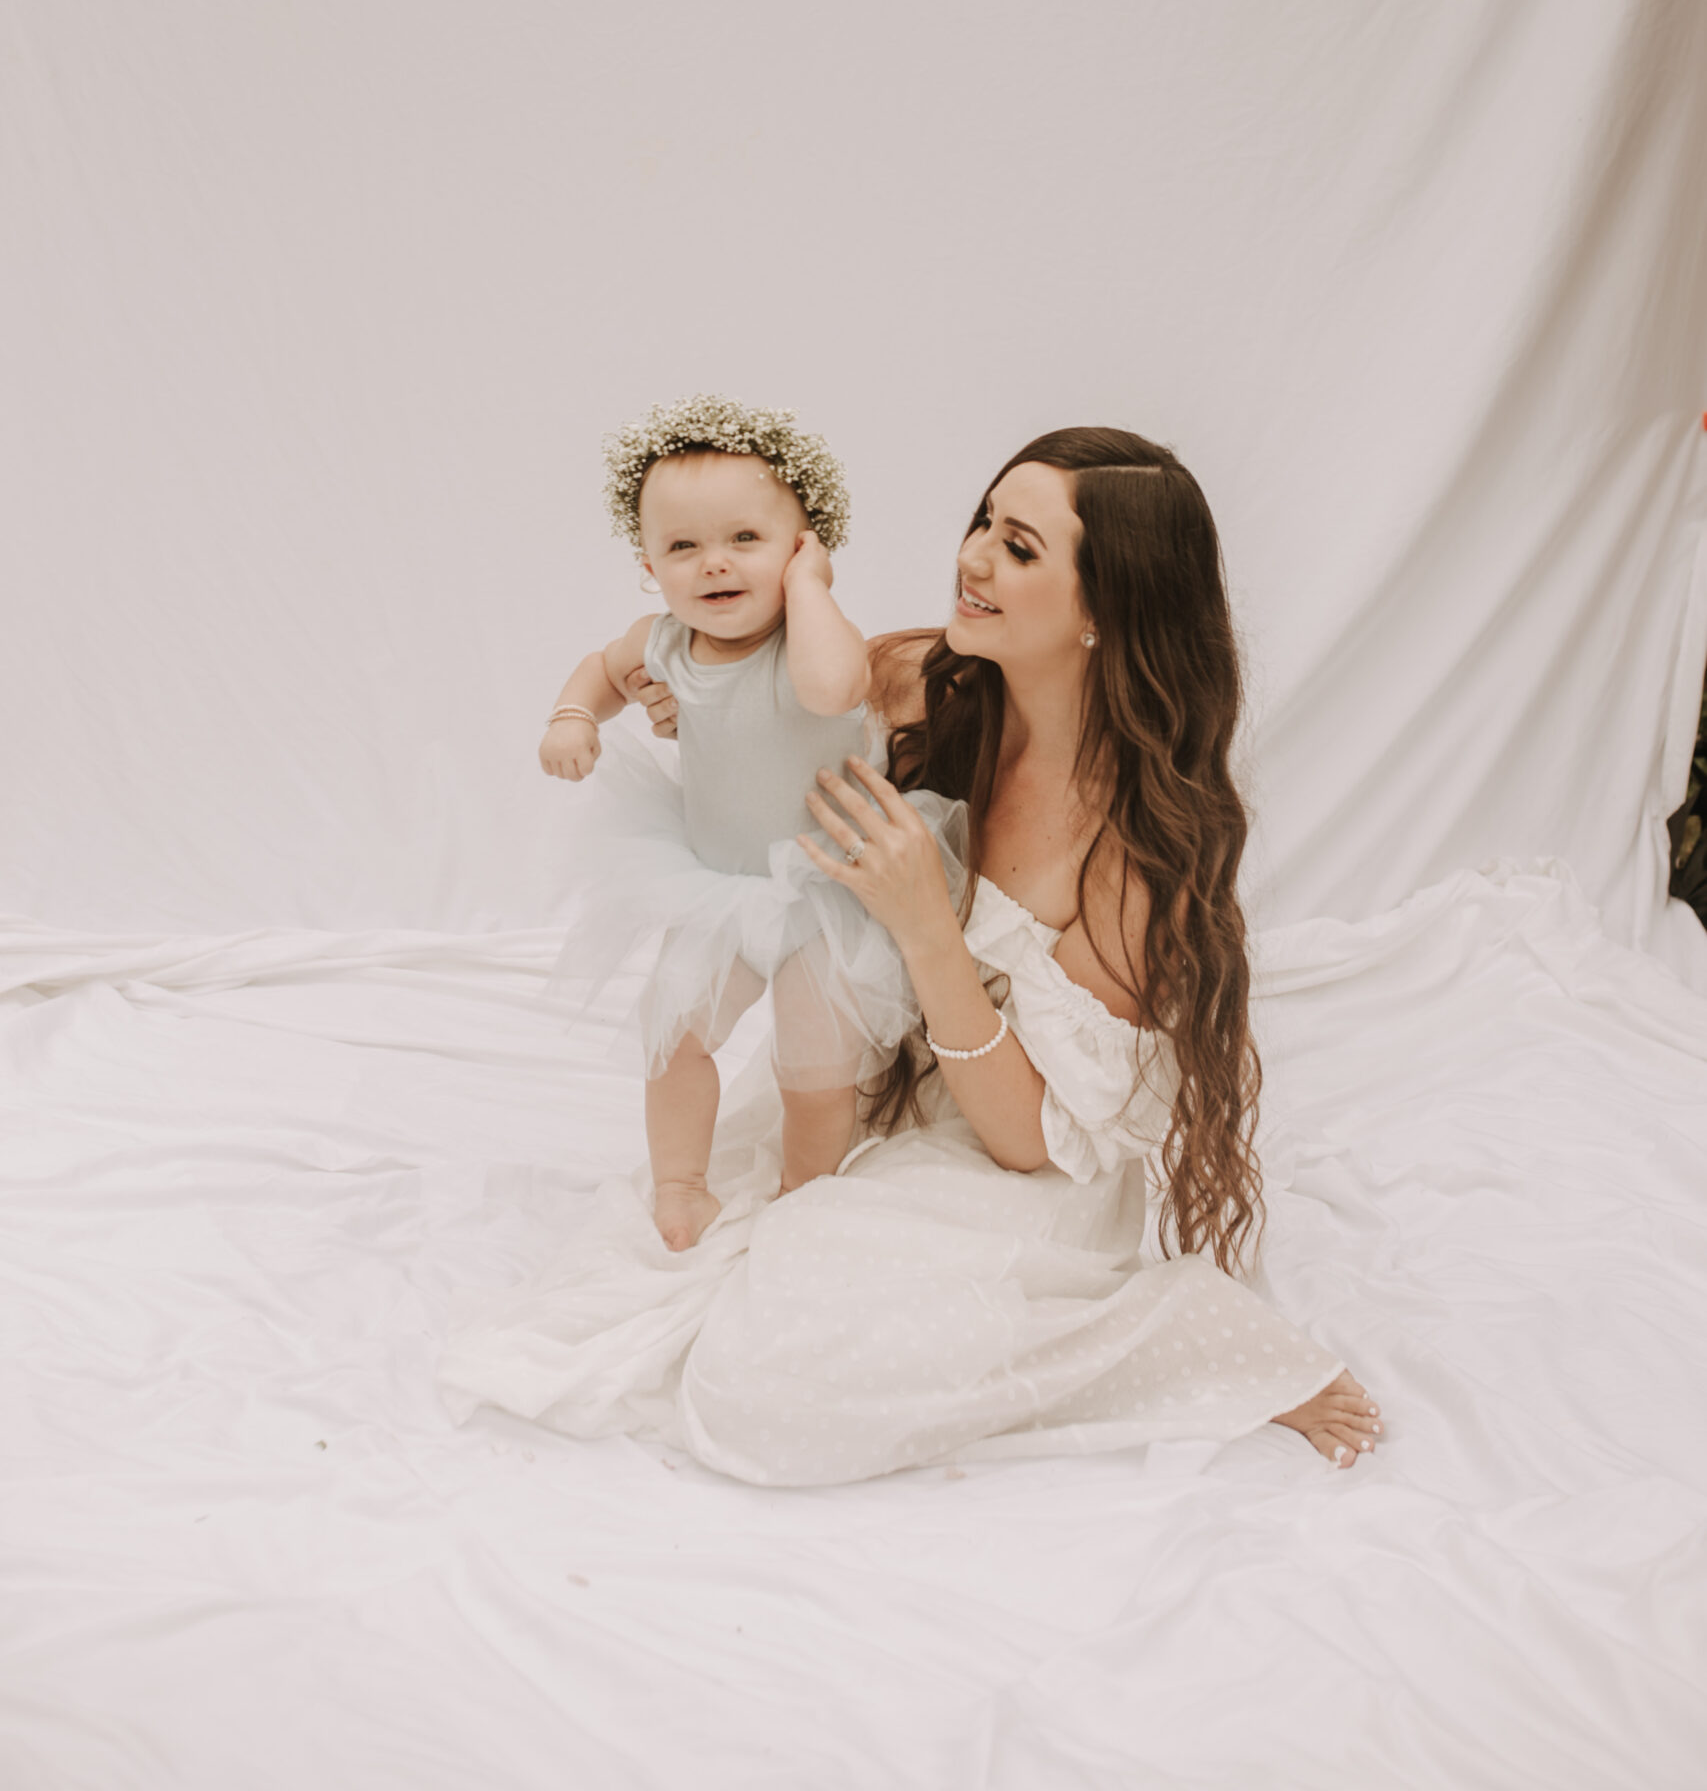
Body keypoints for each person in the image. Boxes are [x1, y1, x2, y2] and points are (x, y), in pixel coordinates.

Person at [441, 426, 1380, 1478]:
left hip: (1015, 1161)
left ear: (1105, 611)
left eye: (1022, 548)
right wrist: (678, 699)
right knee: (668, 1266)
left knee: (766, 1399)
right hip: (879, 1073)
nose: (973, 556)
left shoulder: (1134, 849)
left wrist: (927, 924)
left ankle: (1175, 1334)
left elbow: (1032, 1141)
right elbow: (753, 708)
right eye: (985, 520)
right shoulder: (921, 676)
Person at [536, 394, 922, 1251]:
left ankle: (804, 1190)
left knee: (813, 1072)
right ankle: (679, 1187)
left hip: (830, 889)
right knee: (673, 1039)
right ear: (648, 564)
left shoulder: (812, 637)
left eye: (745, 539)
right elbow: (602, 668)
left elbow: (833, 691)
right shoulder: (665, 642)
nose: (714, 565)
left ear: (802, 543)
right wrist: (573, 715)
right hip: (718, 886)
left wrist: (810, 589)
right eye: (683, 547)